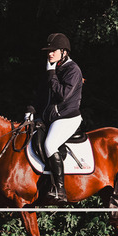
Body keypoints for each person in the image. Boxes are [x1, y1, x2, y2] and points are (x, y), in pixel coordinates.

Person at [25, 33, 83, 203]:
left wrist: (51, 74)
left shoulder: (73, 70)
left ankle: (60, 190)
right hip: (49, 118)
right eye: (48, 51)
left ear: (64, 52)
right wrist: (31, 110)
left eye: (53, 50)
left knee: (50, 145)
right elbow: (41, 95)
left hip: (67, 118)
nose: (50, 53)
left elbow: (62, 95)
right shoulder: (53, 68)